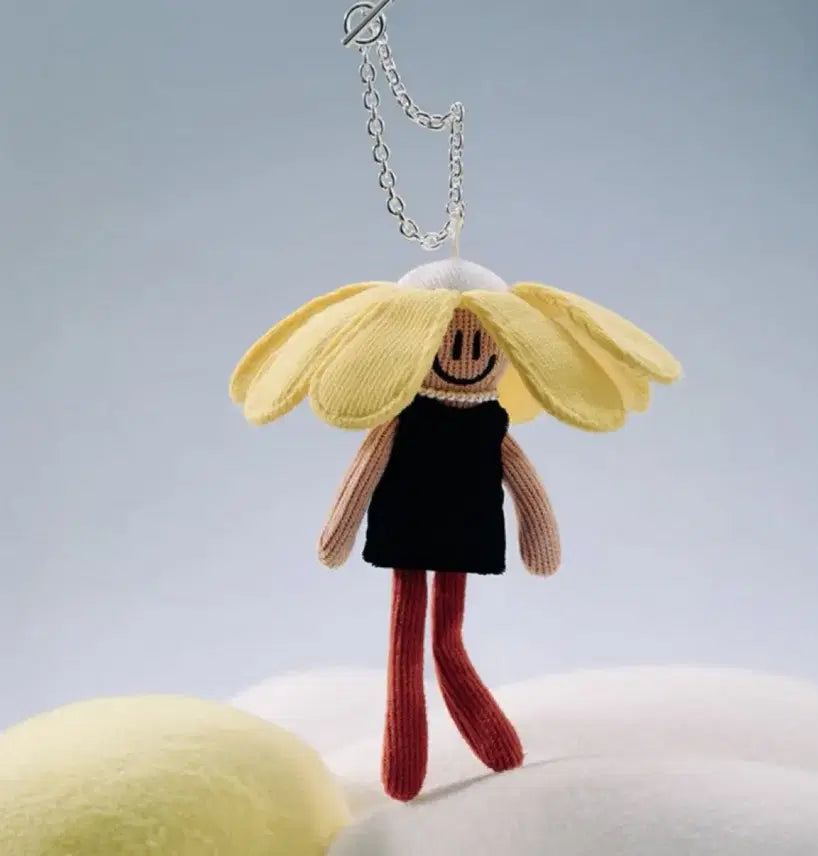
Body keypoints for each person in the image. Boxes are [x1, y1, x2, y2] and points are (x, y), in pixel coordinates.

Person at [229, 257, 681, 801]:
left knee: (446, 636)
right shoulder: (401, 418)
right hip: (409, 525)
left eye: (481, 344)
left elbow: (523, 480)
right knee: (405, 641)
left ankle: (489, 743)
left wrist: (538, 535)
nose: (465, 355)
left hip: (464, 527)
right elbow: (364, 471)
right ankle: (410, 755)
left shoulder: (490, 423)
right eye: (450, 342)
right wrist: (339, 530)